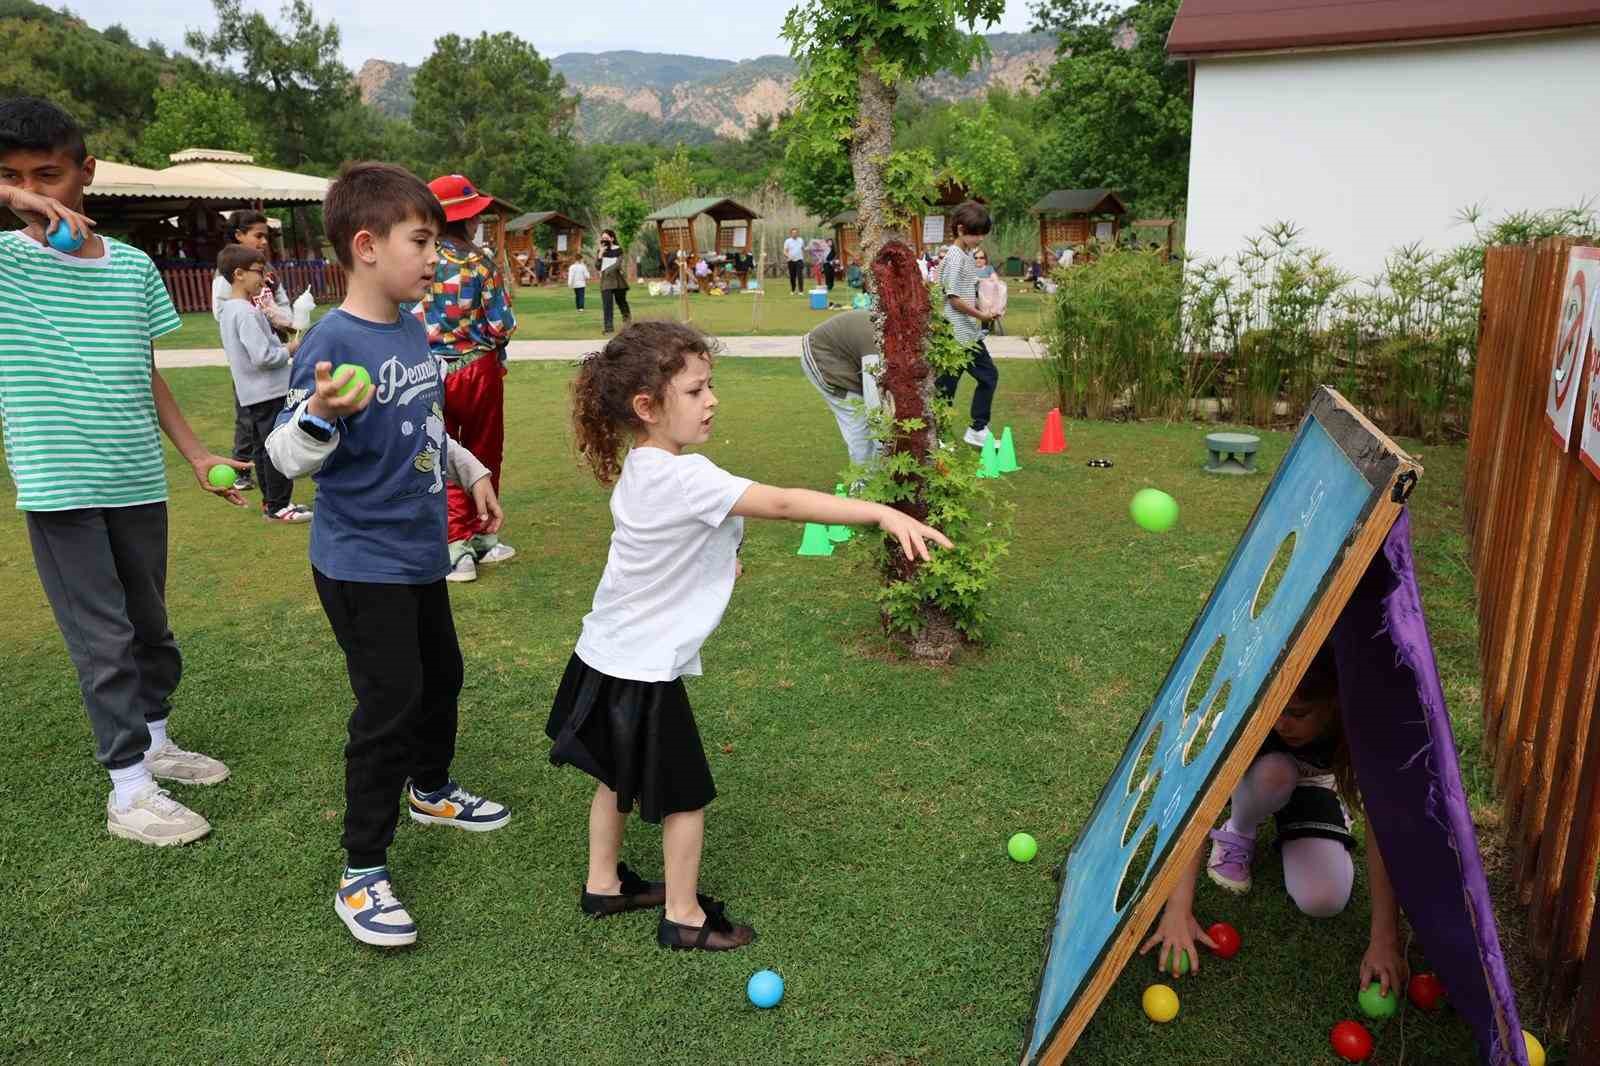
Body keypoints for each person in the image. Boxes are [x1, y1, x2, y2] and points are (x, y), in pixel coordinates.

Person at [550, 321, 951, 951]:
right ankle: (684, 917)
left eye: (711, 385)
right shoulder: (688, 477)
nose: (711, 400)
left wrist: (716, 562)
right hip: (644, 669)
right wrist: (881, 510)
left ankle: (603, 883)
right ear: (647, 407)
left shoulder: (645, 468)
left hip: (601, 654)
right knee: (685, 796)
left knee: (615, 776)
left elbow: (659, 552)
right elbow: (786, 504)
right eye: (696, 390)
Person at [266, 161, 511, 949]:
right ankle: (361, 869)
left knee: (444, 676)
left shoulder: (412, 327)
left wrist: (470, 470)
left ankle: (431, 789)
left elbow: (427, 421)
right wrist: (319, 416)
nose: (435, 257)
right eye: (421, 240)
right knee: (389, 703)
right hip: (358, 561)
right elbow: (285, 455)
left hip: (418, 552)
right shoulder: (331, 341)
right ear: (366, 246)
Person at [0, 96, 244, 845]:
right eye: (12, 177)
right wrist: (15, 200)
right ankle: (128, 792)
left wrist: (199, 455)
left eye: (49, 173)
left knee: (150, 629)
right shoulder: (6, 262)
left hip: (136, 478)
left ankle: (157, 744)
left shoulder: (133, 267)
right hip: (60, 485)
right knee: (101, 641)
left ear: (87, 172)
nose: (36, 190)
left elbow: (145, 373)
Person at [1139, 648, 1407, 1000]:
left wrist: (1385, 939)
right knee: (1274, 774)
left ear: (1333, 706)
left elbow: (1383, 829)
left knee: (1324, 900)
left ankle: (1325, 793)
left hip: (1314, 779)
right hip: (1260, 769)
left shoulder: (1357, 724)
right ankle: (1240, 829)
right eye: (1279, 708)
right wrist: (1178, 909)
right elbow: (1195, 804)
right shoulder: (1261, 716)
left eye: (1297, 713)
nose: (1283, 722)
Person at [412, 173, 518, 584]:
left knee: (441, 452)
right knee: (483, 451)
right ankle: (481, 537)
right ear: (469, 219)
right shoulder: (478, 263)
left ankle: (455, 545)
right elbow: (502, 324)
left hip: (427, 369)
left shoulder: (419, 259)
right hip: (476, 369)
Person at [216, 244, 310, 524]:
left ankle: (272, 503)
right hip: (268, 392)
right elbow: (262, 356)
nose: (264, 278)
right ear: (239, 274)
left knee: (263, 449)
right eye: (259, 272)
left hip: (253, 393)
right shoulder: (244, 312)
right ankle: (280, 506)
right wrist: (290, 350)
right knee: (278, 449)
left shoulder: (230, 310)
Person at [212, 209, 293, 492]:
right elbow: (229, 319)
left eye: (265, 237)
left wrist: (279, 319)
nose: (263, 242)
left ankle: (270, 498)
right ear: (239, 236)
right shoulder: (235, 298)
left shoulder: (266, 276)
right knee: (256, 430)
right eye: (257, 235)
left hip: (264, 364)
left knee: (260, 434)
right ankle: (260, 486)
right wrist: (286, 348)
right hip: (259, 373)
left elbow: (281, 305)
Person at [935, 201, 1001, 448]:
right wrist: (981, 316)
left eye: (983, 233)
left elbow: (966, 292)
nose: (980, 239)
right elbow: (953, 298)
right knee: (946, 388)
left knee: (988, 376)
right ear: (961, 229)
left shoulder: (966, 255)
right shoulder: (954, 257)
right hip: (953, 334)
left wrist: (984, 310)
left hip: (968, 333)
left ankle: (977, 428)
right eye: (976, 233)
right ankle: (938, 437)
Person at [800, 309, 882, 467]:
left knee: (870, 427)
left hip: (848, 357)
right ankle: (863, 485)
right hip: (821, 355)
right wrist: (886, 446)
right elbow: (874, 405)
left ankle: (873, 475)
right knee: (859, 424)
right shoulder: (875, 346)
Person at [598, 229, 631, 334]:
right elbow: (597, 266)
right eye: (602, 238)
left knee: (621, 302)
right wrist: (600, 254)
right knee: (607, 305)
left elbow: (618, 264)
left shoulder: (619, 250)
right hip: (605, 282)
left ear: (612, 238)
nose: (604, 240)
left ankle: (628, 323)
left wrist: (607, 270)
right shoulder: (601, 251)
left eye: (606, 238)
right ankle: (608, 328)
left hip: (618, 280)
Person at [975, 249, 1007, 337]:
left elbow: (995, 280)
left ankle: (987, 324)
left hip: (988, 297)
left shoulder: (989, 268)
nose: (978, 259)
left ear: (985, 259)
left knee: (998, 287)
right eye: (976, 258)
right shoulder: (970, 269)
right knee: (984, 298)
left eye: (981, 257)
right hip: (975, 296)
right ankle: (988, 322)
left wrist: (980, 280)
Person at [783, 226, 805, 294]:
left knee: (800, 275)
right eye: (793, 233)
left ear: (797, 233)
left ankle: (801, 291)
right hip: (791, 261)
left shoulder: (801, 240)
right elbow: (784, 251)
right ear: (791, 234)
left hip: (799, 260)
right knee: (792, 276)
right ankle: (793, 290)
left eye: (796, 233)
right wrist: (788, 256)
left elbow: (803, 249)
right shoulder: (787, 241)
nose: (794, 234)